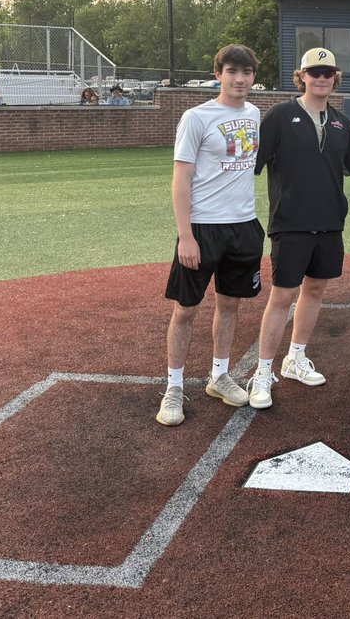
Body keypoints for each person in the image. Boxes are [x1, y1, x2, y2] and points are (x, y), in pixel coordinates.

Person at [248, 47, 350, 409]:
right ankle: (262, 372)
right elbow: (251, 166)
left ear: (335, 78)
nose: (321, 78)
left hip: (329, 222)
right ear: (302, 76)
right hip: (290, 223)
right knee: (283, 296)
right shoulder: (279, 116)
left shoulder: (340, 123)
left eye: (328, 73)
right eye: (314, 72)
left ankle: (295, 358)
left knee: (316, 290)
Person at [156, 44, 264, 427]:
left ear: (254, 76)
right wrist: (185, 235)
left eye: (247, 72)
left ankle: (219, 376)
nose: (239, 78)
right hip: (202, 229)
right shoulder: (196, 117)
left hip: (244, 226)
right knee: (186, 309)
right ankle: (174, 387)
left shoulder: (254, 114)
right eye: (232, 71)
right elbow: (180, 179)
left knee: (230, 304)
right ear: (218, 74)